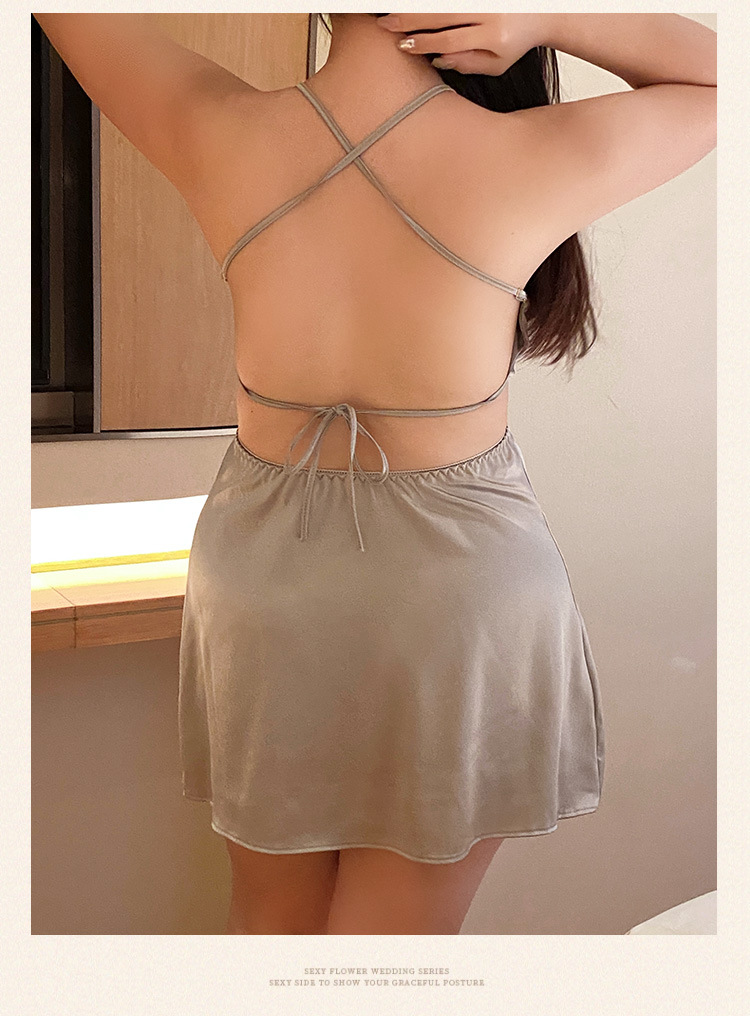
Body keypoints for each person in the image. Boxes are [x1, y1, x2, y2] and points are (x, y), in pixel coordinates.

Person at [33, 12, 716, 935]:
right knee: (393, 953)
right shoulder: (526, 153)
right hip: (458, 590)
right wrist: (548, 16)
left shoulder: (218, 129)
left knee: (271, 931)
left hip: (263, 578)